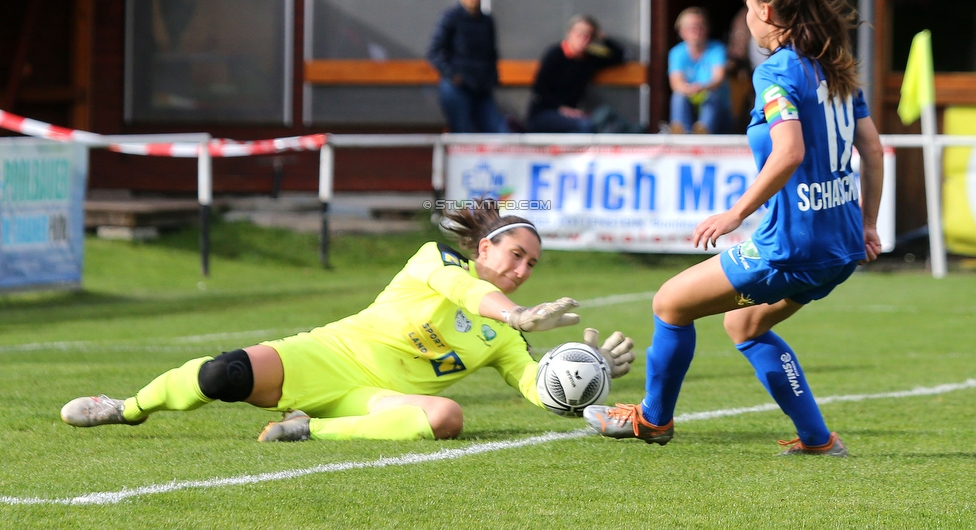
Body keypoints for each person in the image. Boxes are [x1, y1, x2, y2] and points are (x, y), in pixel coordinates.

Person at [584, 0, 885, 456]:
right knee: (744, 323)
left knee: (670, 303)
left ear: (765, 10)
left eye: (747, 5)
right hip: (841, 247)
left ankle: (653, 421)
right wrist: (868, 224)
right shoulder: (833, 69)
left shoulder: (778, 73)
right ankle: (817, 439)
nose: (745, 16)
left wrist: (735, 213)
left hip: (793, 247)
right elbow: (871, 149)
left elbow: (790, 152)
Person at [61, 202, 635, 442]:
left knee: (448, 417)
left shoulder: (507, 337)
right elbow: (464, 292)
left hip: (377, 400)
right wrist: (515, 313)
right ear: (485, 247)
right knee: (222, 376)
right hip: (329, 355)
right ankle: (125, 408)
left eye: (533, 265)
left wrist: (590, 376)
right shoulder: (437, 261)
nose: (523, 270)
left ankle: (308, 430)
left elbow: (536, 387)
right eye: (516, 256)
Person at [426, 0, 508, 133]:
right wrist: (453, 75)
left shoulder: (487, 21)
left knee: (500, 132)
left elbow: (492, 54)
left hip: (482, 89)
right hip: (458, 88)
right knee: (463, 132)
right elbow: (433, 52)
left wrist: (492, 78)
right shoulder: (450, 18)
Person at [526, 15, 627, 133]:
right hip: (545, 114)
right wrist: (561, 109)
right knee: (585, 126)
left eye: (589, 34)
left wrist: (603, 38)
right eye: (579, 33)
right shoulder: (555, 54)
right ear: (569, 33)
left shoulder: (590, 58)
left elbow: (620, 56)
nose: (584, 38)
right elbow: (539, 91)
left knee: (605, 116)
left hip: (573, 116)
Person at [667, 7, 733, 134]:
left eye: (699, 26)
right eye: (690, 27)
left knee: (712, 96)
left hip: (718, 111)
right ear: (681, 31)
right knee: (678, 97)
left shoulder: (717, 49)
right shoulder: (676, 53)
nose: (695, 31)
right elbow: (676, 84)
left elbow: (718, 78)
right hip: (689, 103)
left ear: (707, 29)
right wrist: (689, 89)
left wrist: (702, 87)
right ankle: (680, 131)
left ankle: (703, 132)